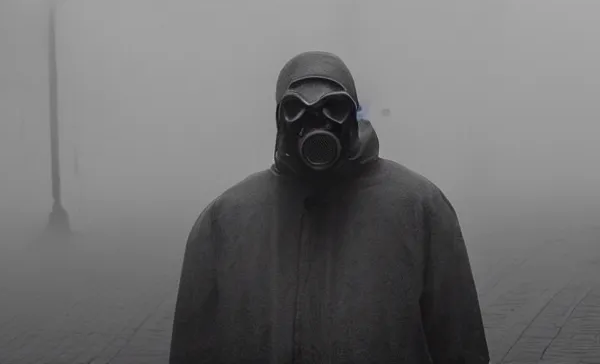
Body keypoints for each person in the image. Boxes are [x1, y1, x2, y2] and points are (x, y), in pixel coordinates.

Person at [169, 51, 489, 363]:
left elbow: (459, 343)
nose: (316, 119)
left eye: (334, 107)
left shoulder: (419, 208)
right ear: (280, 117)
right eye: (296, 108)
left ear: (353, 113)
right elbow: (194, 348)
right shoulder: (226, 219)